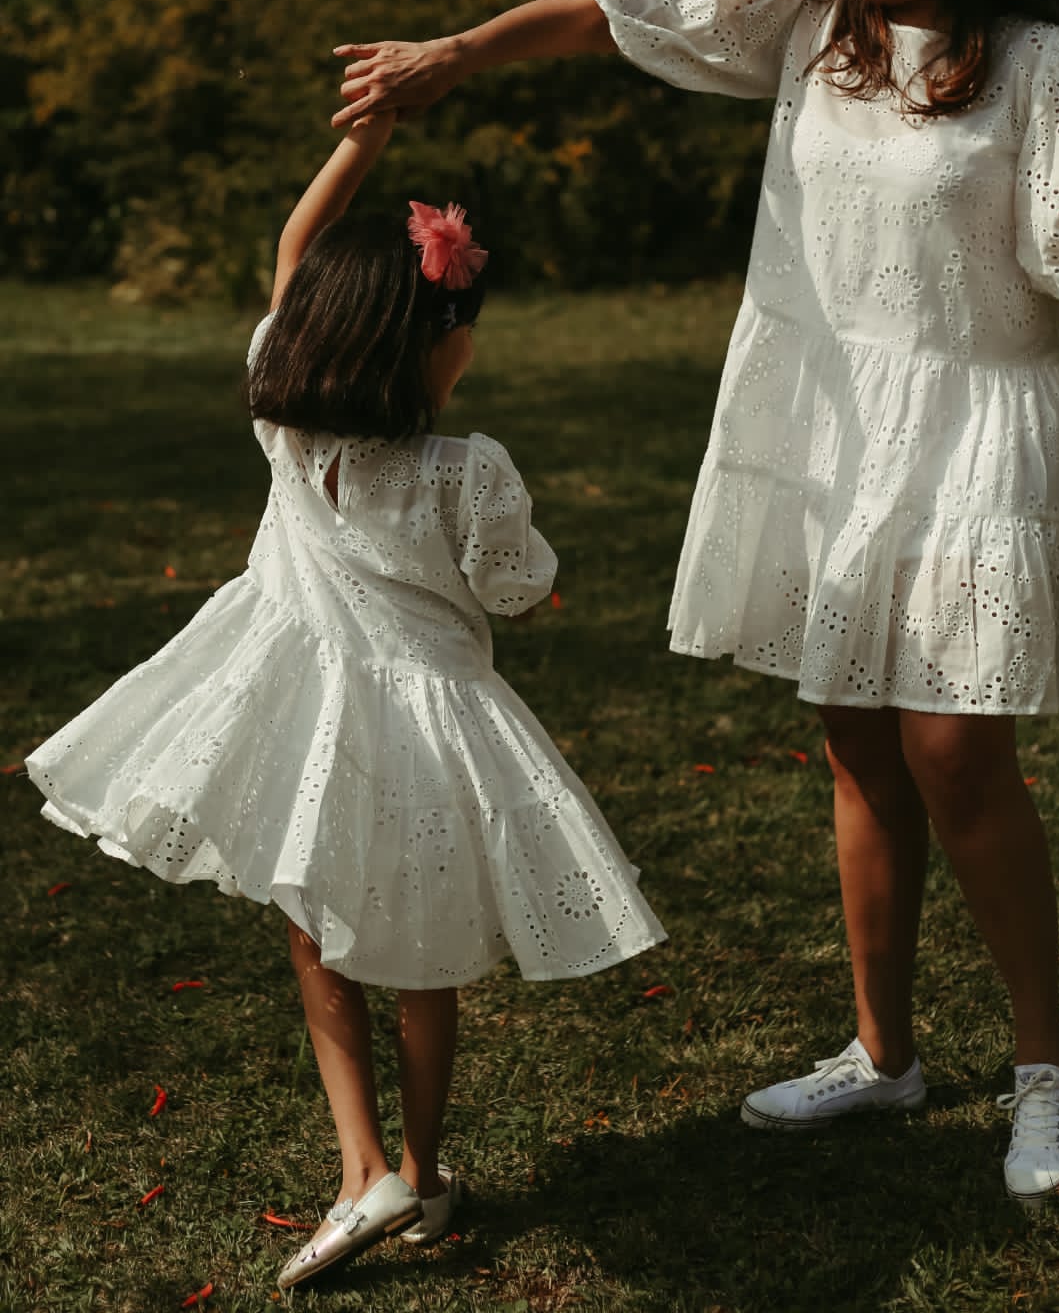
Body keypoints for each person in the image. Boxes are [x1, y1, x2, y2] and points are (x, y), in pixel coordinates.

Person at [329, 0, 1059, 1205]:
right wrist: (457, 54)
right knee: (851, 736)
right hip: (828, 429)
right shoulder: (801, 15)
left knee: (955, 754)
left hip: (973, 426)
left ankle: (1045, 1071)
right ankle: (882, 1052)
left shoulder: (1037, 68)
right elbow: (607, 16)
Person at [24, 108, 666, 1290]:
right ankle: (417, 1176)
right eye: (461, 326)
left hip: (304, 710)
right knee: (423, 958)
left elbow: (291, 253)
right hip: (426, 724)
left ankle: (359, 1163)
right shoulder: (465, 469)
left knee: (315, 919)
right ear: (431, 343)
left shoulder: (281, 421)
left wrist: (357, 149)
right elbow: (518, 591)